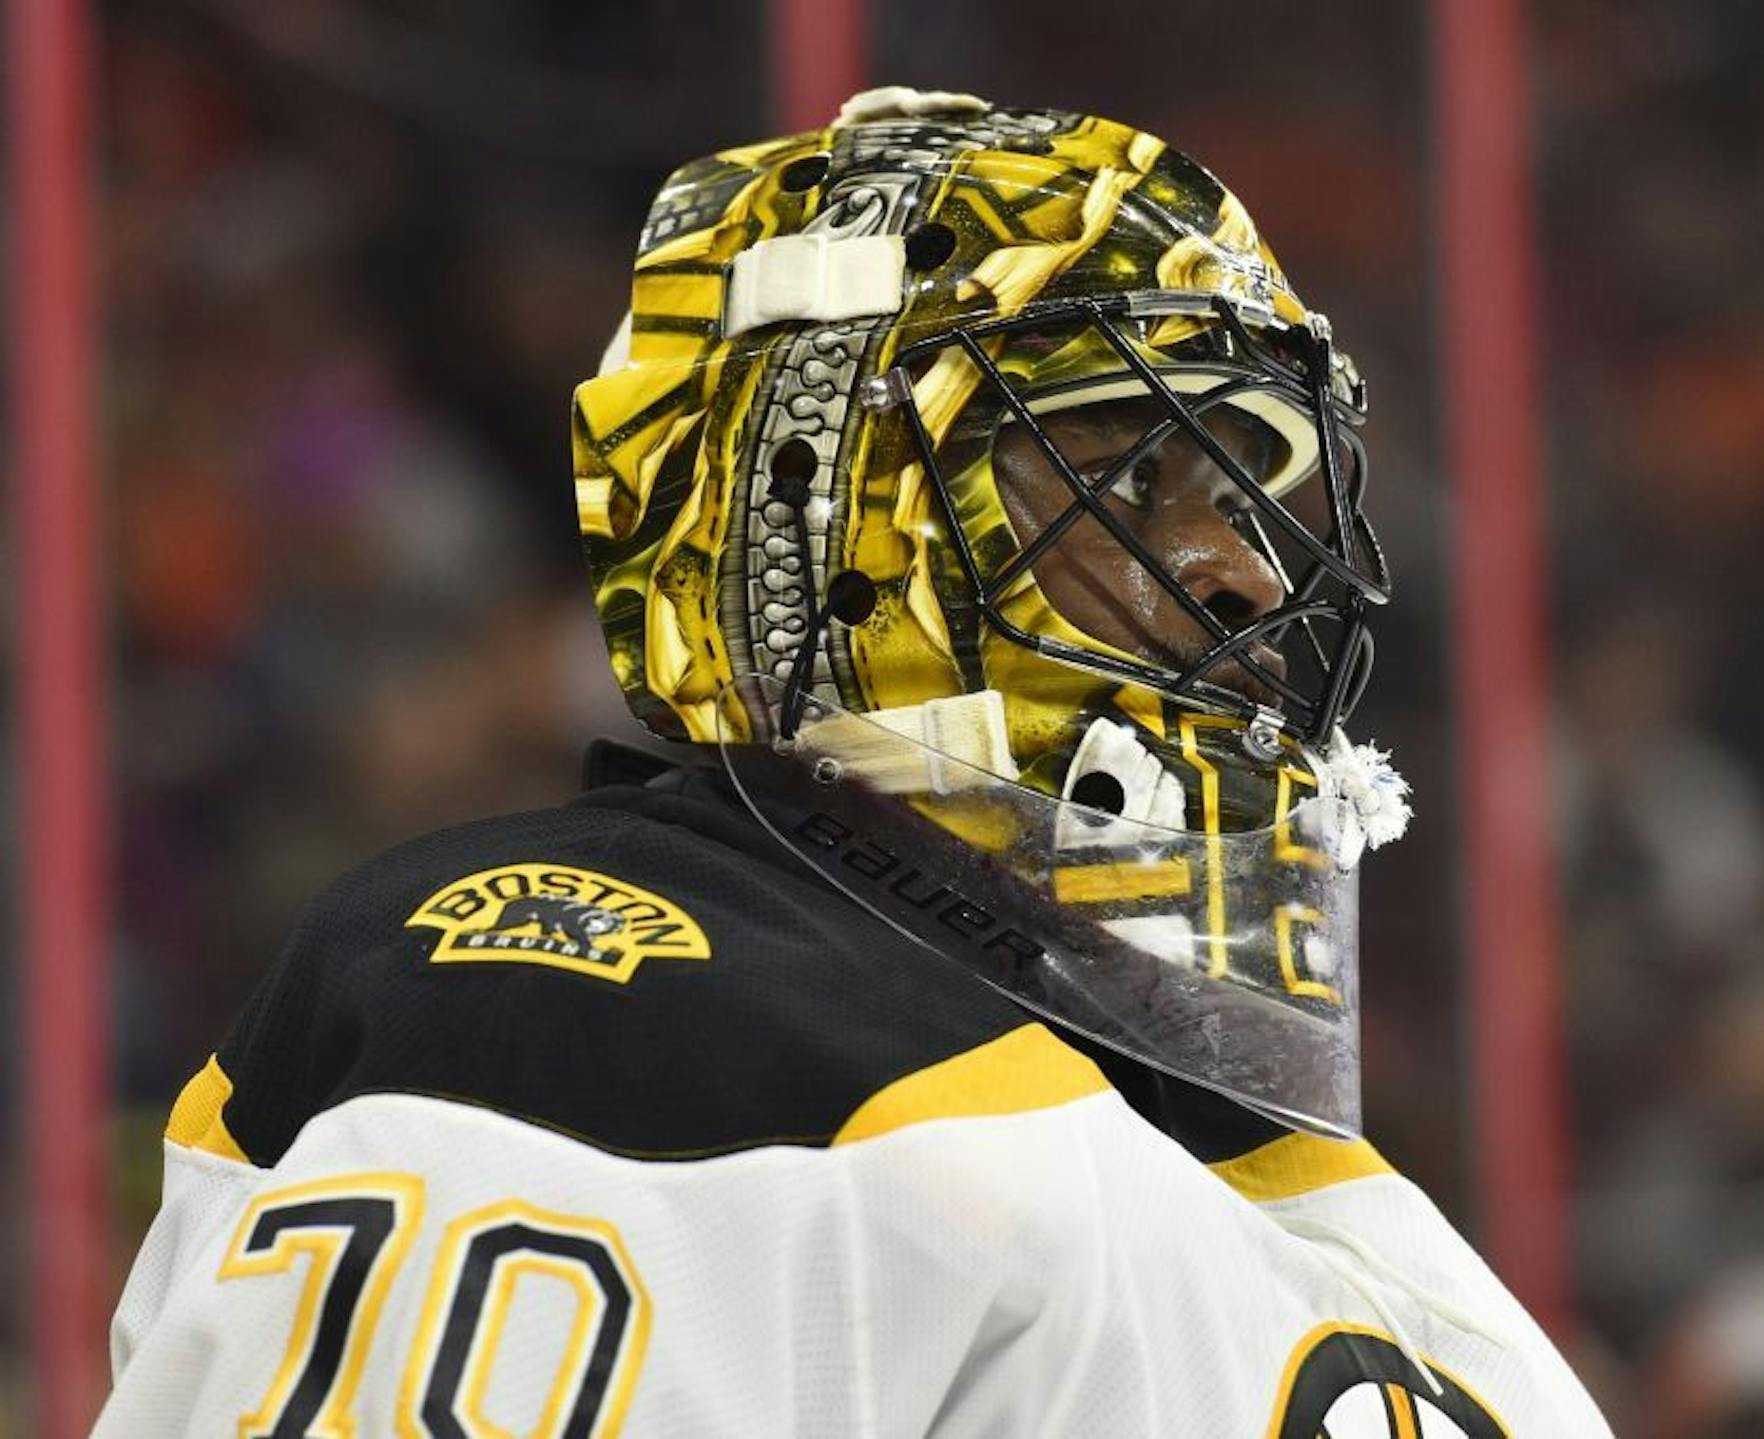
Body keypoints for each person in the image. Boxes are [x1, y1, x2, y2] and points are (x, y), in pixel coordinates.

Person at [95, 87, 1613, 1437]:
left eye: (1251, 498)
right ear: (826, 511)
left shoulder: (1283, 1180)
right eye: (1134, 473)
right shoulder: (648, 995)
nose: (1241, 578)